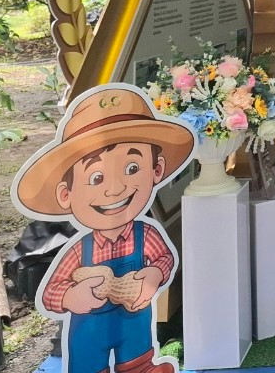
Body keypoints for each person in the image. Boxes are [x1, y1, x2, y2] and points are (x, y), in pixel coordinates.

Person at [16, 87, 195, 373]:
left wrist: (154, 273)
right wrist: (70, 296)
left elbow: (165, 258)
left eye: (132, 168)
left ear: (156, 170)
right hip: (88, 334)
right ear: (66, 194)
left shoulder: (146, 235)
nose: (115, 189)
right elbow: (51, 290)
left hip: (135, 327)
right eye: (96, 177)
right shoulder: (78, 250)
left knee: (138, 362)